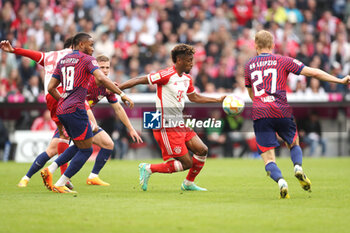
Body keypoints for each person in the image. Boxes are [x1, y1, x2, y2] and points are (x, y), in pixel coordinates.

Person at [244, 30, 350, 199]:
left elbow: (251, 94)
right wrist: (340, 80)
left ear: (255, 46)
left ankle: (281, 182)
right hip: (281, 109)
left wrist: (260, 101)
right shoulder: (282, 60)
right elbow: (313, 72)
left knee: (268, 158)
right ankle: (298, 167)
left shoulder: (248, 65)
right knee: (294, 142)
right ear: (272, 45)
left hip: (260, 112)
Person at [118, 44, 226, 191]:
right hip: (166, 124)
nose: (192, 63)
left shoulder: (187, 78)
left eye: (192, 60)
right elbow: (139, 79)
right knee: (187, 163)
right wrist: (118, 89)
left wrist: (217, 100)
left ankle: (188, 184)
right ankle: (148, 168)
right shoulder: (166, 75)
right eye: (189, 60)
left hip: (180, 122)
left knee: (202, 150)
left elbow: (194, 97)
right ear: (179, 60)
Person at [41, 32, 133, 193]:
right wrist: (122, 94)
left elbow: (50, 88)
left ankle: (51, 169)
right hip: (77, 109)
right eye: (90, 45)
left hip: (62, 109)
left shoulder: (63, 61)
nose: (92, 48)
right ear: (81, 44)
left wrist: (62, 100)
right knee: (87, 149)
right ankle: (61, 183)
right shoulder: (87, 59)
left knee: (79, 144)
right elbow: (103, 79)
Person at [0, 38, 74, 187]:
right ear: (74, 46)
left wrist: (13, 50)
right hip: (63, 97)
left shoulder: (49, 56)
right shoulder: (74, 56)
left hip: (50, 97)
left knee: (58, 142)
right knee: (85, 138)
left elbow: (31, 54)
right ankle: (63, 179)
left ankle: (26, 177)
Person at [84, 55, 142, 185]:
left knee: (107, 144)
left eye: (107, 68)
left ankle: (92, 177)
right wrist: (93, 123)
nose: (104, 70)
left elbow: (119, 109)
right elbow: (82, 103)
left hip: (82, 118)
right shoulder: (86, 82)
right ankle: (57, 178)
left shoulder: (107, 86)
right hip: (71, 114)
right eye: (101, 67)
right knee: (63, 148)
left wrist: (131, 128)